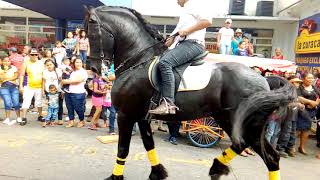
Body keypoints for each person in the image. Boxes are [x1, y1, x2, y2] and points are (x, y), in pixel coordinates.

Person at [149, 0, 212, 115]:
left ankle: (168, 103)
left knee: (165, 63)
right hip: (183, 44)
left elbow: (207, 21)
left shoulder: (195, 4)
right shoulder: (185, 10)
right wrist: (172, 38)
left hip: (193, 44)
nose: (176, 1)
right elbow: (179, 31)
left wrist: (187, 31)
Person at [277, 76, 304, 158]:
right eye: (296, 82)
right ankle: (280, 149)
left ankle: (289, 148)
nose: (298, 84)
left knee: (292, 133)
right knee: (286, 133)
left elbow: (295, 102)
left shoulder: (295, 91)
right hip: (287, 115)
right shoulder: (286, 91)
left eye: (298, 82)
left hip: (293, 115)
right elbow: (283, 103)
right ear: (291, 82)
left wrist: (300, 106)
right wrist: (297, 104)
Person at [296, 73, 320, 155]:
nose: (310, 79)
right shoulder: (300, 87)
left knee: (307, 129)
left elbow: (318, 96)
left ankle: (302, 147)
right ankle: (290, 146)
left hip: (311, 112)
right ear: (303, 79)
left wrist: (315, 104)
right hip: (301, 110)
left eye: (312, 78)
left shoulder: (314, 87)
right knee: (297, 129)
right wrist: (310, 102)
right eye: (308, 78)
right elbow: (298, 97)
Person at [19, 49, 45, 125]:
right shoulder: (25, 63)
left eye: (35, 54)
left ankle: (40, 115)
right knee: (26, 101)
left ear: (38, 55)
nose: (34, 56)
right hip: (28, 86)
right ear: (29, 55)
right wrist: (21, 86)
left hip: (39, 86)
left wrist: (43, 88)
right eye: (32, 54)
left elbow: (44, 76)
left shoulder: (41, 63)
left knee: (39, 102)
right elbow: (22, 75)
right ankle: (23, 118)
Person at [62, 58, 88, 128]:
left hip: (78, 93)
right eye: (77, 62)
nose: (78, 64)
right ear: (74, 63)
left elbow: (79, 80)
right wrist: (66, 81)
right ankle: (71, 121)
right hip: (68, 92)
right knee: (69, 108)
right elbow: (62, 78)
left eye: (80, 62)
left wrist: (67, 81)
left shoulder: (83, 72)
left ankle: (81, 120)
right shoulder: (71, 70)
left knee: (79, 108)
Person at [0, 56, 21, 125]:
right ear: (2, 62)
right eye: (5, 61)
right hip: (4, 88)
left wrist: (7, 79)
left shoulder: (13, 68)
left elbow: (16, 76)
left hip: (14, 87)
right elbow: (1, 79)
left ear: (10, 62)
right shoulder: (0, 69)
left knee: (16, 102)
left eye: (8, 61)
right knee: (7, 102)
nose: (6, 62)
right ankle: (7, 118)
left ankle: (18, 117)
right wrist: (4, 73)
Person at [43, 59, 64, 125]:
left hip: (57, 91)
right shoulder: (45, 72)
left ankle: (60, 119)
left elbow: (61, 80)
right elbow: (43, 82)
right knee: (50, 106)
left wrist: (61, 89)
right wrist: (43, 91)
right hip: (48, 92)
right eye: (47, 65)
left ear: (54, 64)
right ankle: (51, 119)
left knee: (59, 105)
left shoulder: (58, 71)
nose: (49, 66)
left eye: (50, 64)